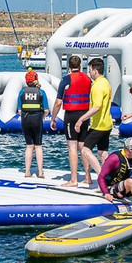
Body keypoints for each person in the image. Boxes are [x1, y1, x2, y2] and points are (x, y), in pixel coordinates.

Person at [49, 54, 92, 187]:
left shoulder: (66, 80)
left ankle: (74, 179)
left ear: (69, 66)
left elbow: (58, 102)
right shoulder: (88, 79)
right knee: (83, 146)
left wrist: (53, 118)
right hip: (85, 114)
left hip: (71, 115)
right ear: (80, 66)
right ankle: (88, 176)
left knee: (72, 146)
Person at [75, 57, 113, 185]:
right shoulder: (106, 82)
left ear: (95, 71)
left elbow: (97, 107)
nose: (89, 73)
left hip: (99, 125)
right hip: (107, 124)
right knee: (103, 153)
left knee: (85, 150)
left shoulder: (97, 86)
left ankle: (102, 177)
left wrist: (81, 119)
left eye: (90, 70)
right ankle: (112, 179)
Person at [17, 70, 48, 178]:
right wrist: (41, 117)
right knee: (38, 146)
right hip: (37, 120)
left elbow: (19, 110)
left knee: (29, 146)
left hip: (25, 120)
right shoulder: (41, 92)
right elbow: (47, 110)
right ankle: (40, 172)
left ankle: (27, 172)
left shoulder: (22, 92)